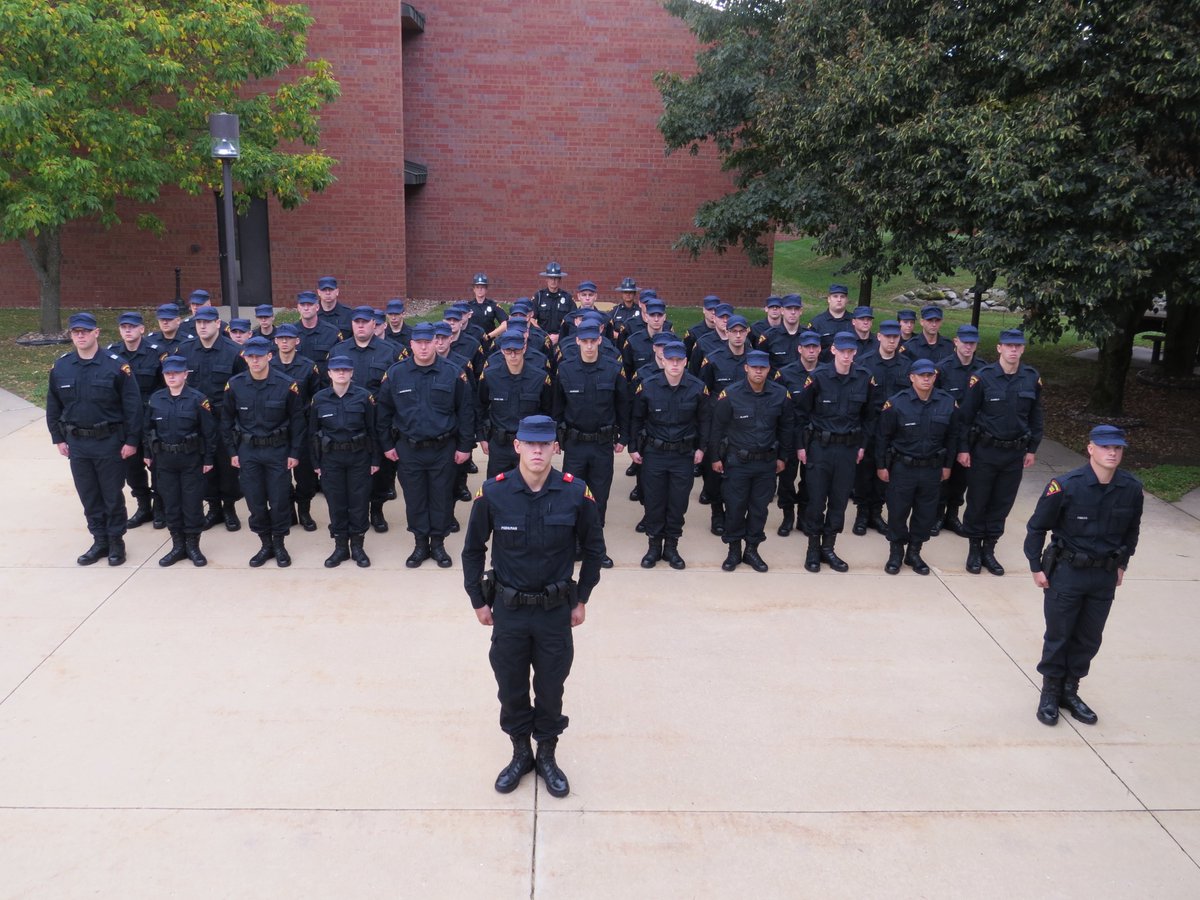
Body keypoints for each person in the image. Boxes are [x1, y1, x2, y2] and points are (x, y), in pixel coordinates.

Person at [462, 414, 605, 798]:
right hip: (508, 611)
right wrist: (477, 600)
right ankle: (520, 752)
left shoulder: (576, 493)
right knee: (509, 686)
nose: (538, 450)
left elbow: (594, 551)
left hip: (555, 612)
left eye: (545, 444)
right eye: (531, 443)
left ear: (556, 448)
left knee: (550, 687)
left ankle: (546, 754)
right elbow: (473, 550)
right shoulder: (494, 492)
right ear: (518, 446)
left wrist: (583, 597)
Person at [1024, 425, 1143, 727]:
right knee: (1059, 635)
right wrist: (1036, 567)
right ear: (1091, 448)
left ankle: (1070, 691)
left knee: (1089, 638)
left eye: (1117, 448)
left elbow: (1131, 531)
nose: (1112, 453)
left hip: (1103, 576)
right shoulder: (1065, 486)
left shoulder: (1130, 488)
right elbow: (1037, 527)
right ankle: (1050, 693)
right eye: (1105, 447)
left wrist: (1122, 564)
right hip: (1067, 574)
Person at [47, 312, 144, 566]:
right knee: (88, 495)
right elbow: (53, 406)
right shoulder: (62, 366)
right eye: (76, 332)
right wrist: (58, 437)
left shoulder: (116, 365)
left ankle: (116, 542)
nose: (80, 335)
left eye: (85, 331)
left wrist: (132, 441)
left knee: (112, 495)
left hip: (109, 441)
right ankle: (99, 540)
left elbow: (133, 407)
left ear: (96, 333)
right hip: (77, 442)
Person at [377, 322, 475, 568]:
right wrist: (388, 445)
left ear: (436, 343)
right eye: (418, 342)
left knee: (441, 497)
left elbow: (465, 412)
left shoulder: (453, 373)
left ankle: (438, 545)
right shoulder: (396, 373)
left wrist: (464, 447)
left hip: (443, 448)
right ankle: (420, 544)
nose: (423, 347)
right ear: (410, 344)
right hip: (408, 448)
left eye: (428, 342)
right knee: (416, 498)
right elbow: (383, 413)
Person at [957, 329, 1043, 576]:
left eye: (1017, 347)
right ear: (999, 348)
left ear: (1023, 349)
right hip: (985, 450)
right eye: (1008, 346)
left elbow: (1036, 416)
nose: (1013, 350)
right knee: (978, 501)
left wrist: (1032, 448)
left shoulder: (1031, 378)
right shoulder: (982, 377)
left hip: (1014, 453)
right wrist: (964, 449)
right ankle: (974, 549)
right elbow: (966, 417)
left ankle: (989, 549)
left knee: (1002, 503)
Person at [794, 332, 877, 573]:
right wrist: (801, 446)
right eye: (842, 351)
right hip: (820, 447)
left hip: (848, 449)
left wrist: (862, 445)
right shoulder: (818, 377)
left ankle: (828, 547)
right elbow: (800, 414)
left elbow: (870, 416)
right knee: (816, 499)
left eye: (851, 351)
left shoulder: (864, 378)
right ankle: (812, 548)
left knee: (839, 502)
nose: (847, 355)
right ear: (833, 351)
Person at [221, 337, 306, 567]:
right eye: (250, 356)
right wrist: (232, 452)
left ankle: (279, 544)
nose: (255, 360)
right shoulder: (235, 385)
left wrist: (294, 453)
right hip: (248, 451)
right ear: (244, 357)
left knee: (279, 501)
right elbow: (226, 420)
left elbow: (298, 422)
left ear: (270, 356)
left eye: (260, 355)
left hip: (277, 450)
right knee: (255, 501)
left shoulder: (286, 384)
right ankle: (265, 543)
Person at [709, 350, 794, 572]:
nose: (758, 371)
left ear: (768, 369)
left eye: (762, 367)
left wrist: (783, 457)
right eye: (754, 367)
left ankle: (752, 550)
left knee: (759, 509)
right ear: (746, 367)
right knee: (735, 507)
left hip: (766, 463)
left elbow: (786, 429)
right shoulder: (731, 394)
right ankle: (733, 550)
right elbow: (717, 428)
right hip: (737, 461)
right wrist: (715, 457)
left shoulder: (780, 394)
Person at [552, 322, 629, 567]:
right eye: (583, 341)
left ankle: (595, 546)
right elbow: (557, 406)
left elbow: (623, 405)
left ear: (599, 341)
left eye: (592, 341)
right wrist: (556, 437)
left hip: (602, 444)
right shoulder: (565, 370)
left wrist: (624, 438)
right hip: (574, 443)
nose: (588, 345)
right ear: (577, 341)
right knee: (573, 494)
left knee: (599, 496)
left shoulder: (613, 369)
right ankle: (574, 544)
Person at [629, 342, 710, 570]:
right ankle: (654, 546)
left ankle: (672, 546)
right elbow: (636, 418)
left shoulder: (697, 388)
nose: (674, 364)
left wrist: (702, 448)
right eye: (670, 360)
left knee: (677, 503)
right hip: (654, 454)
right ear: (662, 360)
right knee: (654, 502)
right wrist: (633, 447)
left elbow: (705, 421)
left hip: (683, 455)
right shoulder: (648, 386)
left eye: (679, 360)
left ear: (685, 361)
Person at [875, 358, 959, 575]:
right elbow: (883, 437)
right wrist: (881, 466)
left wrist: (948, 466)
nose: (926, 379)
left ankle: (914, 552)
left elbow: (952, 437)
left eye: (930, 375)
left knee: (925, 513)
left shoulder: (947, 402)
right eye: (921, 375)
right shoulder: (896, 403)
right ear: (911, 377)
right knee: (898, 511)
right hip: (903, 467)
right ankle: (896, 553)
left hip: (932, 468)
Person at [144, 355, 217, 567]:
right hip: (164, 460)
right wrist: (148, 454)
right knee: (171, 503)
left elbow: (209, 432)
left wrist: (209, 458)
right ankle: (178, 546)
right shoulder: (156, 399)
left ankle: (193, 546)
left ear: (185, 374)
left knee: (192, 503)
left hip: (191, 459)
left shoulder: (198, 399)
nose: (172, 376)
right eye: (168, 373)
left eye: (176, 373)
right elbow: (147, 429)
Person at [178, 305, 246, 531]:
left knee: (227, 466)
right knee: (203, 465)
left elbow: (241, 386)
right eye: (199, 322)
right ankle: (213, 507)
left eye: (207, 322)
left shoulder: (233, 351)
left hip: (222, 417)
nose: (203, 326)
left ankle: (229, 508)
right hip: (194, 419)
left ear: (218, 324)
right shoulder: (185, 351)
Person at [311, 355, 380, 568]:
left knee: (359, 502)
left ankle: (358, 547)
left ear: (351, 373)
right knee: (336, 502)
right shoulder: (319, 399)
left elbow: (373, 430)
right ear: (329, 373)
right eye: (336, 370)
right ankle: (340, 547)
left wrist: (375, 459)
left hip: (359, 457)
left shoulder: (364, 397)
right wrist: (316, 463)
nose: (341, 373)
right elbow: (313, 433)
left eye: (345, 370)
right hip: (331, 458)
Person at [106, 311, 164, 529]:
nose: (128, 331)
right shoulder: (111, 354)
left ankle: (161, 507)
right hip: (125, 421)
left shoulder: (156, 353)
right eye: (124, 327)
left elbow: (164, 388)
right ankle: (143, 506)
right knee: (132, 466)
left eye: (132, 327)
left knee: (157, 466)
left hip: (150, 419)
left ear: (142, 329)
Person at [477, 332, 555, 478]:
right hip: (500, 444)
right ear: (502, 350)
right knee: (497, 492)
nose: (513, 355)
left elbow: (548, 410)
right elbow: (480, 407)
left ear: (524, 348)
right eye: (508, 351)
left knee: (530, 490)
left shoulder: (540, 378)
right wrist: (482, 437)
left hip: (530, 445)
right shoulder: (490, 376)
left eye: (517, 350)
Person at [933, 323, 985, 535]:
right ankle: (936, 516)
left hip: (971, 432)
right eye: (964, 342)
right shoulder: (943, 368)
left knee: (962, 477)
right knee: (943, 474)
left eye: (972, 343)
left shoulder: (982, 369)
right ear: (956, 342)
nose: (968, 347)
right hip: (947, 430)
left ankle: (952, 516)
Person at [272, 323, 323, 532]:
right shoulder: (269, 365)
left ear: (297, 341)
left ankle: (304, 510)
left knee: (306, 476)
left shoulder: (308, 366)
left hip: (302, 427)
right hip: (276, 428)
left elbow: (317, 397)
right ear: (275, 341)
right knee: (278, 475)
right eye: (281, 338)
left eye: (289, 338)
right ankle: (289, 511)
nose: (285, 342)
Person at [772, 329, 822, 536]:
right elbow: (776, 405)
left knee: (811, 479)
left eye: (815, 347)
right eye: (807, 347)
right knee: (786, 478)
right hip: (790, 434)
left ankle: (803, 517)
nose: (811, 351)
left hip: (816, 434)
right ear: (799, 349)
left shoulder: (826, 373)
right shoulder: (785, 374)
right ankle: (787, 516)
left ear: (820, 349)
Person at [808, 283, 855, 360]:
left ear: (846, 300)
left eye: (842, 297)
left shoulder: (855, 321)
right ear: (829, 299)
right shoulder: (817, 322)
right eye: (835, 296)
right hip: (824, 367)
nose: (839, 300)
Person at [532, 262, 575, 344]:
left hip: (562, 340)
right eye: (551, 278)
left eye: (556, 278)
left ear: (560, 280)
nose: (553, 281)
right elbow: (531, 320)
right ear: (546, 279)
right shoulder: (539, 296)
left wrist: (560, 336)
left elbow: (573, 321)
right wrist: (545, 336)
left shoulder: (567, 298)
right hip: (542, 339)